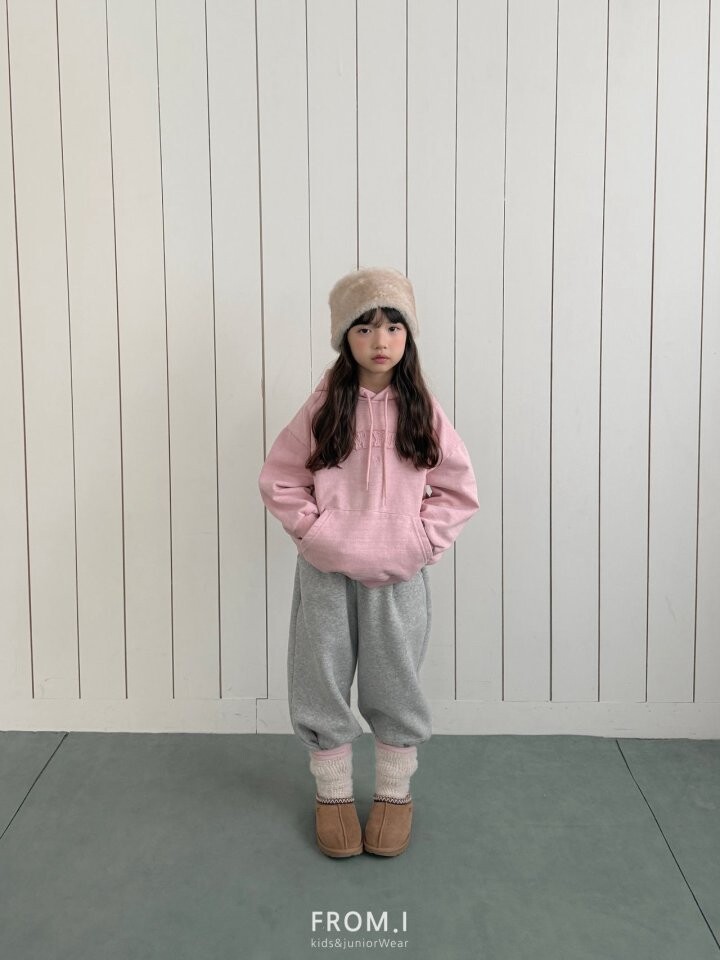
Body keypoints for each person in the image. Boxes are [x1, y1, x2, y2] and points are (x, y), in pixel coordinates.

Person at [258, 266, 479, 858]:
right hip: (326, 574)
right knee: (321, 676)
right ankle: (332, 795)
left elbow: (458, 490)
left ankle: (393, 794)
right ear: (345, 338)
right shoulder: (323, 407)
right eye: (364, 328)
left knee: (395, 681)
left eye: (392, 326)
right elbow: (280, 479)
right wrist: (318, 535)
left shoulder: (423, 410)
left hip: (399, 577)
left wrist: (420, 542)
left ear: (408, 335)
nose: (380, 340)